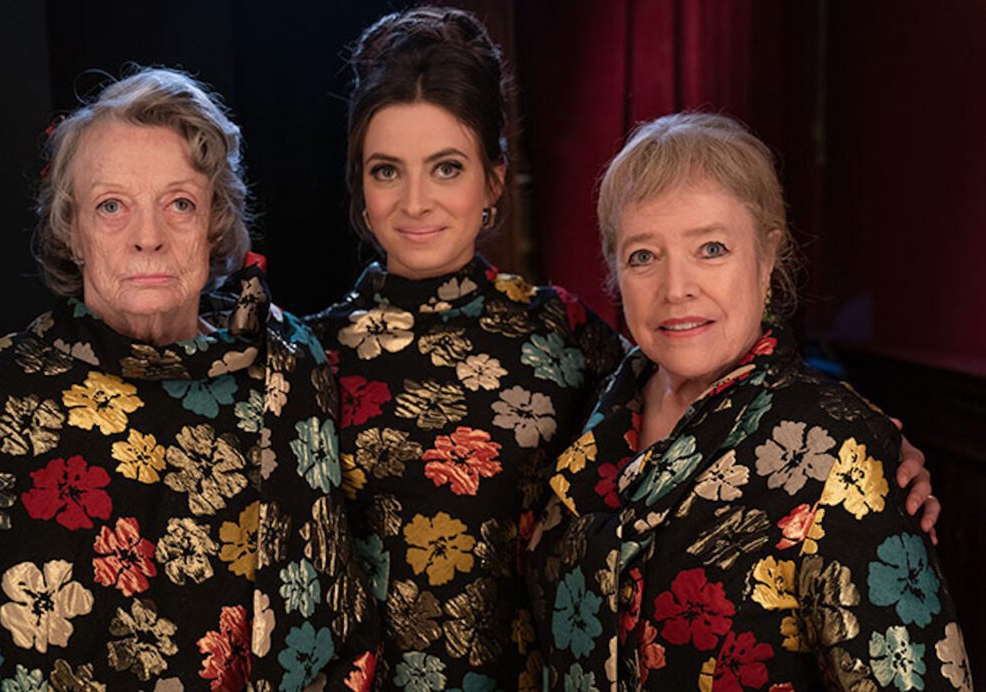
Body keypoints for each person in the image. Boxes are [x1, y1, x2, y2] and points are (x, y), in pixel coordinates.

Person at [307, 8, 938, 690]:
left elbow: (716, 372)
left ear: (493, 180)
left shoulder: (560, 331)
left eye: (446, 167)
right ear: (360, 186)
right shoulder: (308, 356)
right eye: (387, 171)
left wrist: (874, 446)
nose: (416, 202)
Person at [0, 68, 377, 691]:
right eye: (112, 207)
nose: (148, 239)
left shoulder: (287, 369)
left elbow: (337, 630)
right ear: (72, 231)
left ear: (215, 223)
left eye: (179, 203)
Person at [527, 113, 971, 690]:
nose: (676, 288)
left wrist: (878, 441)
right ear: (615, 271)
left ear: (766, 258)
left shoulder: (840, 447)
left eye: (711, 248)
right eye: (643, 256)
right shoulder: (591, 408)